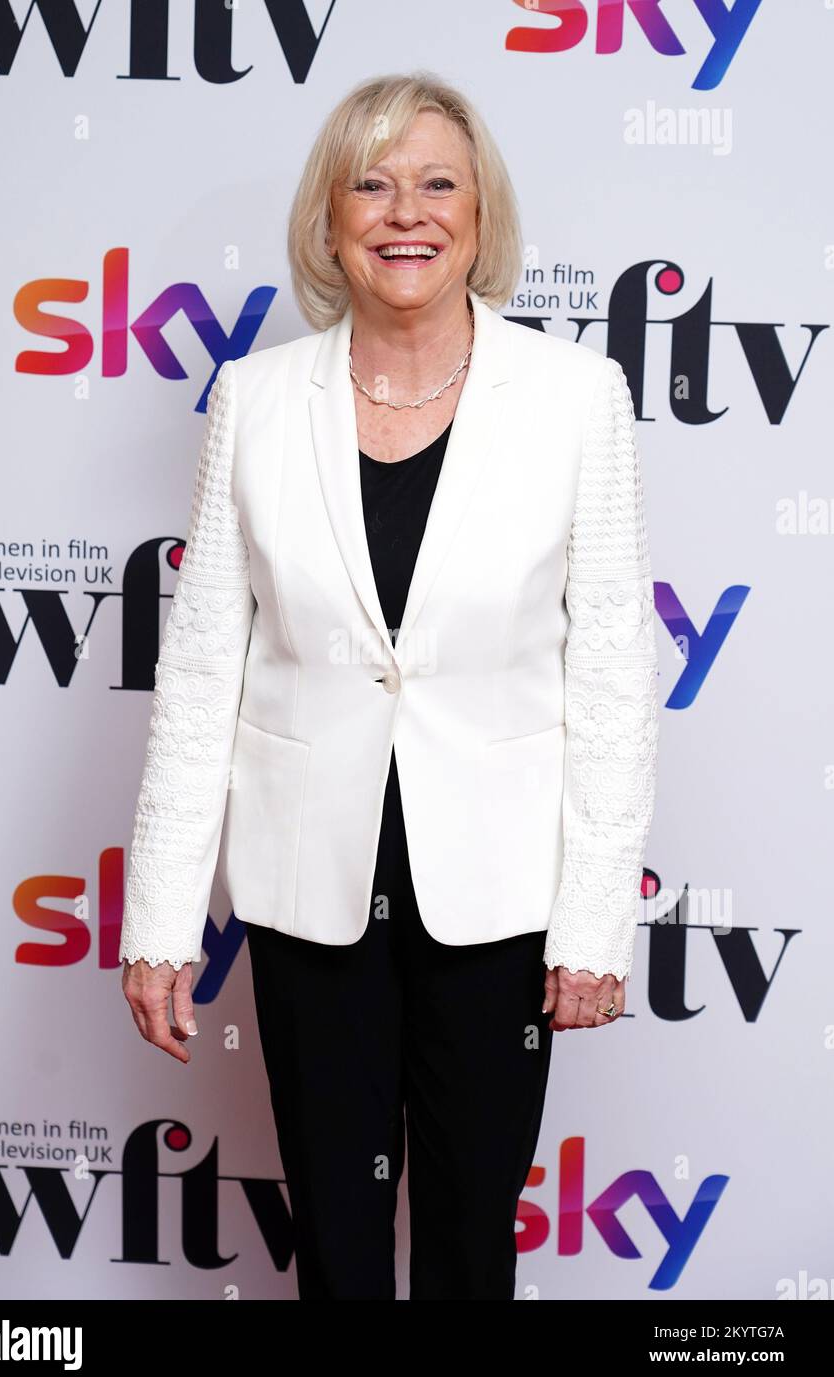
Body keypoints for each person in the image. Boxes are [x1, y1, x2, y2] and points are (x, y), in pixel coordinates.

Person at [119, 71, 660, 1300]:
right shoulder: (255, 402)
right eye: (369, 182)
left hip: (498, 906)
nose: (402, 211)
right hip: (312, 901)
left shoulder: (576, 400)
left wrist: (591, 929)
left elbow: (616, 680)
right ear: (328, 219)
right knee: (341, 1257)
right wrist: (157, 922)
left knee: (471, 1253)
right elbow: (203, 675)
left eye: (435, 183)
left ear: (481, 216)